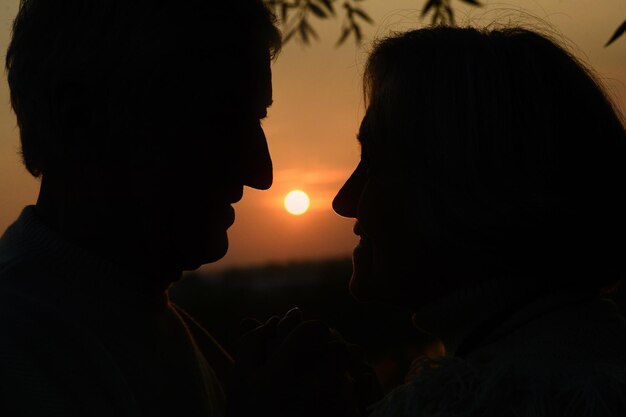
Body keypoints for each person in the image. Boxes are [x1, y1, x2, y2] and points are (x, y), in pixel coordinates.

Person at [0, 1, 282, 415]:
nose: (261, 172)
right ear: (79, 121)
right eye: (220, 121)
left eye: (256, 120)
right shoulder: (18, 354)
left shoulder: (143, 319)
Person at [333, 26, 626, 416]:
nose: (344, 201)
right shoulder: (588, 366)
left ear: (463, 184)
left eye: (375, 163)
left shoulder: (486, 402)